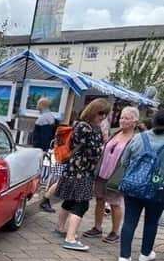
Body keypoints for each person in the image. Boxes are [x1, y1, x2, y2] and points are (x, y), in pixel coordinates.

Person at [55, 98, 109, 251]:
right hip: (82, 171)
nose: (102, 117)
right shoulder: (87, 128)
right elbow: (92, 152)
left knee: (70, 200)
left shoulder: (79, 124)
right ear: (93, 111)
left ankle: (60, 228)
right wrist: (102, 145)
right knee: (82, 203)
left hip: (73, 169)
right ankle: (70, 238)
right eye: (101, 113)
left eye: (105, 114)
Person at [82, 106, 138, 244]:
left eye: (126, 118)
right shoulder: (115, 132)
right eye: (121, 117)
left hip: (117, 175)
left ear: (134, 121)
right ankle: (97, 227)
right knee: (99, 199)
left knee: (115, 203)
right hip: (102, 172)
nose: (122, 120)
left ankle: (114, 232)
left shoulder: (136, 139)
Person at [118, 109, 164, 261]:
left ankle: (124, 256)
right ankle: (145, 254)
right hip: (158, 190)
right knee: (151, 221)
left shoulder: (138, 138)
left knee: (129, 221)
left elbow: (124, 161)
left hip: (133, 186)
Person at [33, 98, 58, 213]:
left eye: (38, 103)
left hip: (40, 149)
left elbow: (43, 136)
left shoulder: (44, 118)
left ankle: (36, 189)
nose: (37, 105)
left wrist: (42, 149)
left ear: (42, 105)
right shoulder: (50, 117)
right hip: (45, 148)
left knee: (38, 168)